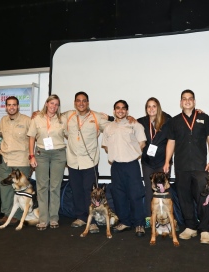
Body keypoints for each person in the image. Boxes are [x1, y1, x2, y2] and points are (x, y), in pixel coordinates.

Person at [163, 89, 209, 244]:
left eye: (190, 99)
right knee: (184, 198)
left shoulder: (204, 118)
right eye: (184, 99)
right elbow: (171, 142)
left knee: (204, 198)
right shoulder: (174, 121)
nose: (187, 101)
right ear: (180, 102)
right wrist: (167, 162)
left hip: (201, 167)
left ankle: (205, 229)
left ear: (194, 101)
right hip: (181, 166)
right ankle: (190, 227)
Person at [64, 91, 112, 232]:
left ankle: (93, 221)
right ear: (75, 103)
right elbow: (53, 118)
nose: (81, 103)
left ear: (88, 103)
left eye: (84, 100)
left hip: (90, 162)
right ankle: (81, 217)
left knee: (90, 192)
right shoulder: (68, 116)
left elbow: (112, 126)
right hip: (73, 161)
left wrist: (113, 117)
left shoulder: (96, 117)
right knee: (76, 190)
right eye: (78, 101)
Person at [102, 100, 147, 237]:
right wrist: (118, 153)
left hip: (131, 165)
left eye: (123, 108)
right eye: (117, 108)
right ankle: (125, 222)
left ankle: (139, 224)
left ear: (127, 111)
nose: (120, 110)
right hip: (116, 166)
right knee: (118, 195)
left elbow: (142, 143)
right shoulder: (108, 128)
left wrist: (131, 153)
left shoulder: (135, 125)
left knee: (135, 195)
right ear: (114, 111)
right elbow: (106, 146)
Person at [28, 95, 67, 230]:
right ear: (46, 103)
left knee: (55, 187)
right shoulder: (37, 118)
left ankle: (54, 218)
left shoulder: (63, 119)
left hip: (59, 153)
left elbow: (71, 134)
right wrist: (31, 156)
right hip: (41, 153)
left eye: (56, 104)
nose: (53, 106)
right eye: (52, 103)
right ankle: (43, 219)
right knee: (42, 186)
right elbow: (31, 137)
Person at [0, 96, 32, 225]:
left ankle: (18, 215)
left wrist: (33, 156)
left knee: (20, 190)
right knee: (4, 187)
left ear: (18, 106)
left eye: (14, 105)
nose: (11, 107)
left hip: (20, 161)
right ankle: (7, 214)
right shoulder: (3, 120)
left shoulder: (27, 121)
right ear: (6, 107)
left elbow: (34, 137)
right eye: (9, 105)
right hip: (5, 160)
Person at [137, 97, 172, 227]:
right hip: (147, 163)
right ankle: (149, 219)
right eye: (149, 106)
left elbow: (182, 121)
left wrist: (198, 112)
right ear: (146, 109)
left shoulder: (168, 120)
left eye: (154, 106)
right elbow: (125, 121)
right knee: (149, 190)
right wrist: (110, 118)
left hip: (163, 162)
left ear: (158, 107)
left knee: (164, 190)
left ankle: (168, 219)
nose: (151, 109)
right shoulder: (141, 122)